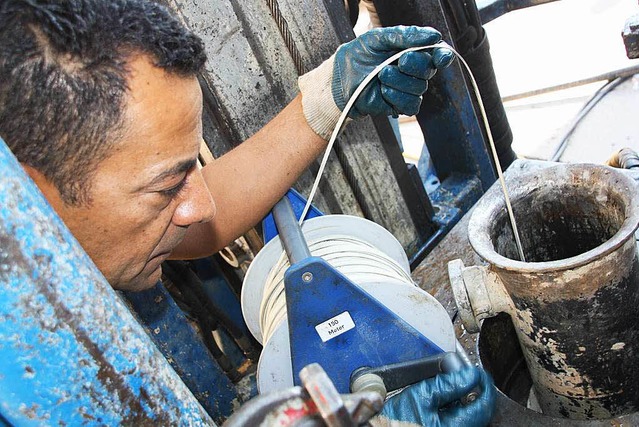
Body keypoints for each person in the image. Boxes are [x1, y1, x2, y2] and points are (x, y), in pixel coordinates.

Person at [0, 0, 495, 424]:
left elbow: (192, 215)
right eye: (166, 186)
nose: (203, 206)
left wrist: (327, 98)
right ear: (27, 189)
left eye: (190, 168)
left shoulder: (74, 224)